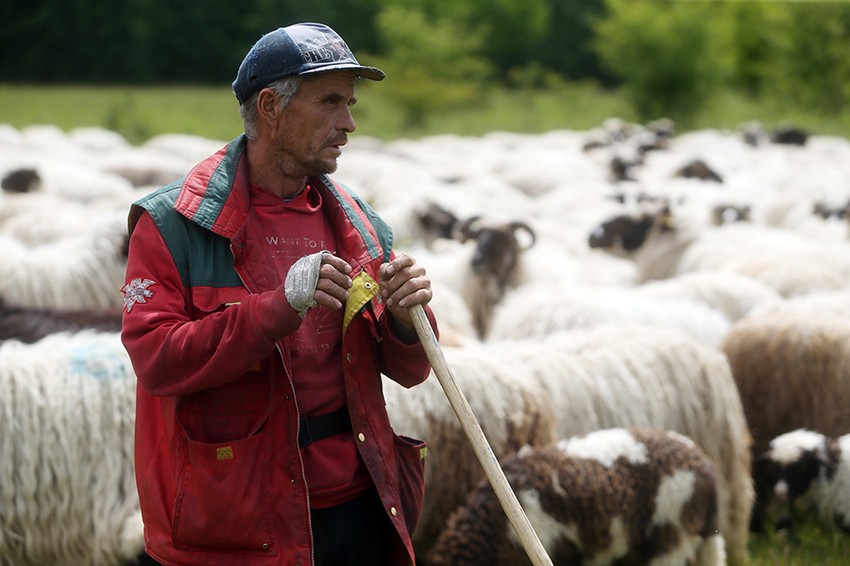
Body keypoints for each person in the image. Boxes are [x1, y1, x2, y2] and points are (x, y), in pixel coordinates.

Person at [120, 22, 438, 566]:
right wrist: (276, 309)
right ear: (270, 106)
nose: (350, 123)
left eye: (351, 103)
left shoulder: (361, 225)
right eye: (331, 102)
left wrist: (410, 322)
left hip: (356, 506)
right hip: (237, 520)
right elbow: (157, 360)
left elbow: (408, 370)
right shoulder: (174, 225)